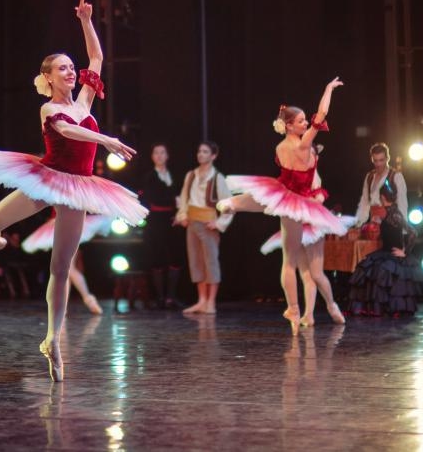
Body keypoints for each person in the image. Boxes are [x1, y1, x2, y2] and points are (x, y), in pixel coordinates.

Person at [0, 0, 147, 381]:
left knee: (61, 267)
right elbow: (66, 130)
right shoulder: (50, 109)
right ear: (48, 78)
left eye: (71, 66)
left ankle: (53, 340)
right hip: (46, 178)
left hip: (77, 189)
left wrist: (86, 21)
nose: (70, 71)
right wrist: (106, 140)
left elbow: (97, 58)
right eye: (62, 68)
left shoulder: (85, 101)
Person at [217, 78, 348, 333]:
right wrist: (328, 89)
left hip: (285, 193)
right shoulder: (304, 145)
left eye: (305, 121)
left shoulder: (280, 147)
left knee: (260, 201)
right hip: (296, 200)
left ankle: (296, 310)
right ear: (289, 125)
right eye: (301, 121)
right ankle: (295, 309)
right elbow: (322, 114)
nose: (306, 123)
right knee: (290, 260)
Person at [347, 178, 423, 317]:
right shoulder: (388, 213)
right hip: (385, 252)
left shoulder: (394, 214)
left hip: (393, 254)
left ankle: (386, 308)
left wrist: (405, 252)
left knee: (380, 270)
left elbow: (413, 232)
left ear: (383, 198)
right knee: (366, 268)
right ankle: (372, 308)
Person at [174, 141, 233, 315]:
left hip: (208, 223)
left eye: (205, 152)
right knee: (196, 261)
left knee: (211, 261)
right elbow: (184, 198)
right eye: (200, 151)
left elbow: (229, 204)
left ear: (213, 156)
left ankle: (211, 302)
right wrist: (183, 216)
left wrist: (219, 223)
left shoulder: (217, 178)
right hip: (192, 221)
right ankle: (201, 300)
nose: (201, 154)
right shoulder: (191, 175)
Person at [20, 210, 112, 314]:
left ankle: (87, 299)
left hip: (69, 223)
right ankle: (67, 305)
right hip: (61, 223)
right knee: (66, 270)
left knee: (69, 269)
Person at [139, 143, 185, 309]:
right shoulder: (149, 177)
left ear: (167, 156)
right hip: (156, 220)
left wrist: (179, 211)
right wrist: (174, 200)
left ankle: (170, 297)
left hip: (173, 219)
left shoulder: (174, 175)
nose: (159, 156)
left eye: (162, 152)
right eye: (156, 153)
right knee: (157, 258)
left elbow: (181, 196)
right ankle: (159, 298)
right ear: (152, 157)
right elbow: (154, 198)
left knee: (175, 257)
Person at [354, 143, 408, 240]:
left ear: (387, 158)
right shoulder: (369, 176)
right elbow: (364, 202)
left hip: (391, 224)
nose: (378, 164)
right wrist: (359, 224)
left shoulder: (396, 176)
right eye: (375, 160)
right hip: (373, 227)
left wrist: (402, 231)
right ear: (372, 159)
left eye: (381, 160)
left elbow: (402, 204)